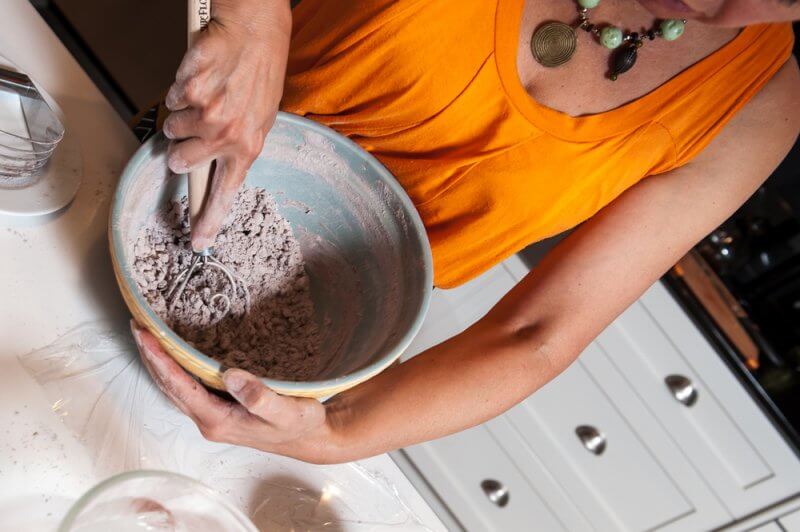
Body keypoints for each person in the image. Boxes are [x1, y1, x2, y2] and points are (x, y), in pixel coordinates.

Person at [130, 0, 800, 464]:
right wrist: (254, 13)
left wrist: (332, 434)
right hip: (148, 176)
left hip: (271, 383)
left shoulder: (760, 104)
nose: (713, 6)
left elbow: (536, 337)